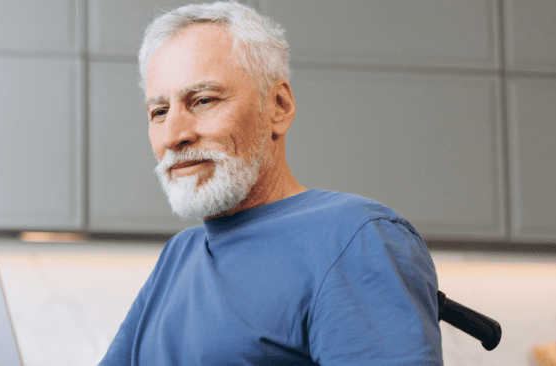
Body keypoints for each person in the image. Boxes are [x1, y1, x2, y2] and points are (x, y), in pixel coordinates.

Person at [98, 2, 442, 365]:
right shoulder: (179, 255)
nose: (174, 135)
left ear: (278, 106)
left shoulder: (356, 238)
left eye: (202, 100)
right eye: (160, 111)